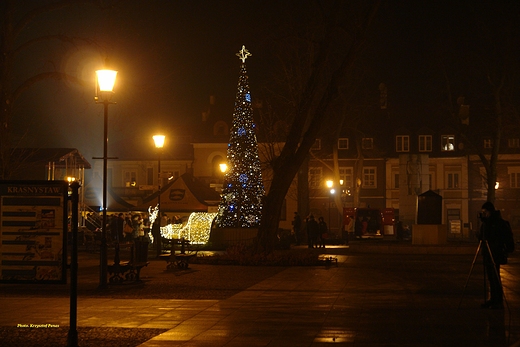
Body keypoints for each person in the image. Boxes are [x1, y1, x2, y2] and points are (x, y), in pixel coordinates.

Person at [478, 201, 514, 309]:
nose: (484, 214)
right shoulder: (487, 222)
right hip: (488, 254)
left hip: (495, 252)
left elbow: (499, 236)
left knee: (495, 277)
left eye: (485, 212)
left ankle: (497, 300)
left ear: (489, 211)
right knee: (491, 277)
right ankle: (493, 298)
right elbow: (482, 236)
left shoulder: (497, 223)